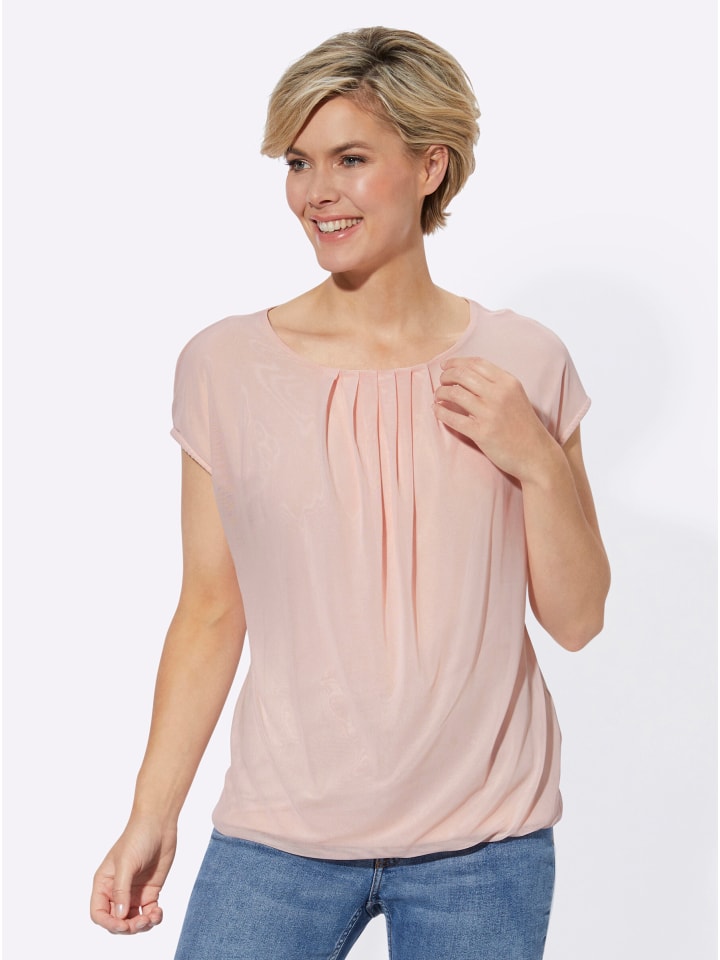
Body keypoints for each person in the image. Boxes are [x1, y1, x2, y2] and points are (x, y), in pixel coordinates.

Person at [90, 26, 610, 960]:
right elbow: (210, 610)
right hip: (276, 841)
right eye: (299, 163)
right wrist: (150, 816)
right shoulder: (224, 367)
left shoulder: (524, 361)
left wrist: (535, 456)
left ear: (430, 166)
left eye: (351, 159)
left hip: (484, 848)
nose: (316, 192)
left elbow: (577, 619)